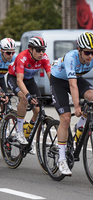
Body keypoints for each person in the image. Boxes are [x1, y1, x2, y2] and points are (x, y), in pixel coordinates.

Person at [50, 31, 93, 176]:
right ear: (79, 50)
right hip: (59, 82)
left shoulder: (91, 57)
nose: (90, 56)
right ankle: (61, 159)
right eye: (87, 52)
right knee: (66, 118)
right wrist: (77, 107)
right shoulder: (71, 58)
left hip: (76, 78)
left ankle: (81, 124)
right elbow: (73, 86)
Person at [7, 36, 51, 149]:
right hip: (15, 78)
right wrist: (27, 95)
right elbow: (19, 81)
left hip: (29, 81)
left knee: (38, 109)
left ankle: (28, 132)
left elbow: (51, 77)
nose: (41, 53)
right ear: (30, 49)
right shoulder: (22, 57)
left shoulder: (44, 58)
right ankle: (19, 132)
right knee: (24, 98)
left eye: (43, 50)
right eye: (38, 50)